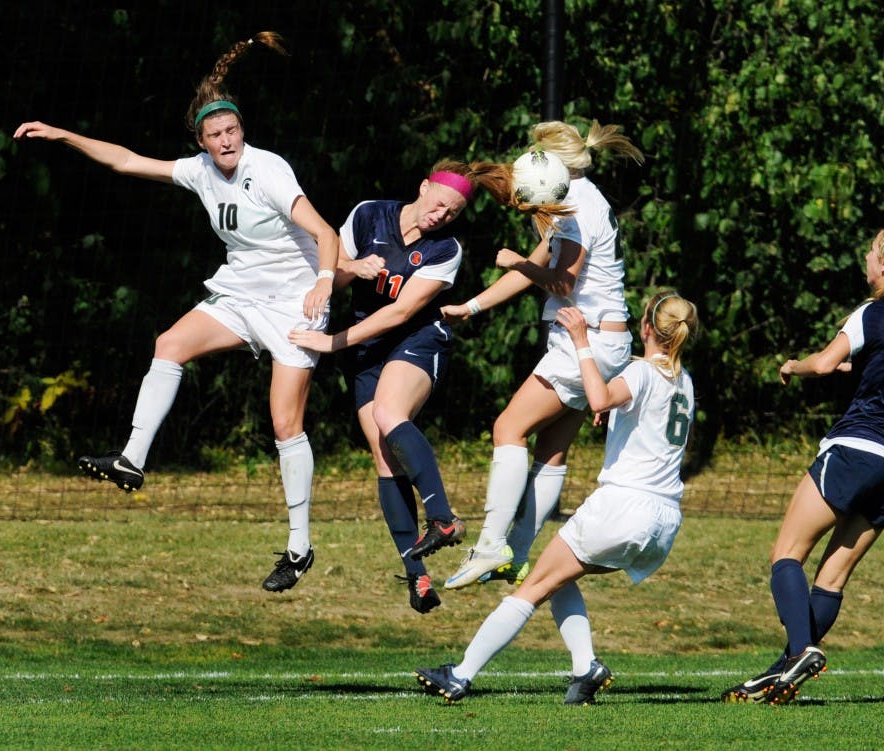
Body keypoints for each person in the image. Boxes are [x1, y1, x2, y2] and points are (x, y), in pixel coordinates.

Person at [13, 32, 339, 594]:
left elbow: (325, 233)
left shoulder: (270, 170)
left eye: (232, 130)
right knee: (169, 343)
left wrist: (326, 281)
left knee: (285, 424)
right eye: (215, 135)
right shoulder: (200, 171)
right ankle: (132, 460)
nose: (226, 140)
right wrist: (63, 134)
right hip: (240, 296)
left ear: (242, 130)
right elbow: (124, 161)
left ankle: (299, 546)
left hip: (294, 304)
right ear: (202, 141)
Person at [415, 292, 699, 703]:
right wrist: (609, 404)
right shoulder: (684, 382)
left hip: (623, 507)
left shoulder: (639, 373)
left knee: (533, 586)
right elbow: (624, 405)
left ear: (647, 329)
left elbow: (602, 397)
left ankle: (460, 675)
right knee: (560, 577)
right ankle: (585, 668)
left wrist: (582, 340)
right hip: (664, 519)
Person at [722, 225, 884, 705]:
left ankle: (800, 651)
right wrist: (847, 368)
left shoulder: (871, 312)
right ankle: (783, 672)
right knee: (832, 577)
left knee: (785, 555)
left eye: (870, 251)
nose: (864, 257)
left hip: (855, 451)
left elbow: (822, 364)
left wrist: (794, 365)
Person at [289, 160, 509, 613]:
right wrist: (353, 267)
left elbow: (401, 313)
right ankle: (418, 575)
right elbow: (329, 270)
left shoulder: (445, 249)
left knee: (391, 415)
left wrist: (331, 343)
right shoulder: (370, 213)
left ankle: (444, 519)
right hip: (364, 344)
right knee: (385, 459)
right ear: (424, 187)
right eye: (440, 204)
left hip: (416, 338)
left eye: (453, 212)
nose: (442, 216)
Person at [440, 119, 644, 591]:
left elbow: (560, 281)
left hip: (583, 341)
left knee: (507, 428)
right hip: (600, 340)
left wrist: (515, 260)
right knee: (551, 453)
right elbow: (540, 266)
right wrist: (472, 306)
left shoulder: (576, 211)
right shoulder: (580, 199)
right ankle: (518, 553)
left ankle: (491, 545)